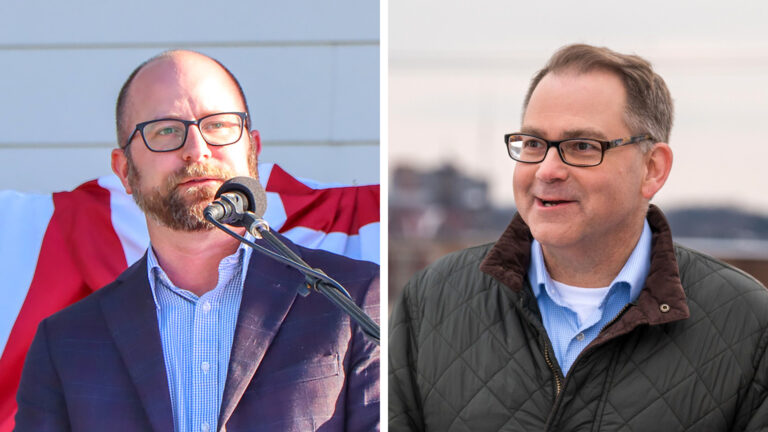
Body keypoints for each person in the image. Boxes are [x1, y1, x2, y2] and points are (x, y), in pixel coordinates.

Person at [389, 43, 768, 431]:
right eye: (534, 144)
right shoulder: (433, 301)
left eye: (582, 146)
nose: (547, 170)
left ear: (652, 168)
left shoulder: (749, 324)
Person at [15, 50, 380, 432]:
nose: (197, 149)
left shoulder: (351, 300)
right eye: (165, 130)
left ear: (252, 149)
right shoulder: (65, 342)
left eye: (219, 125)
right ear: (124, 170)